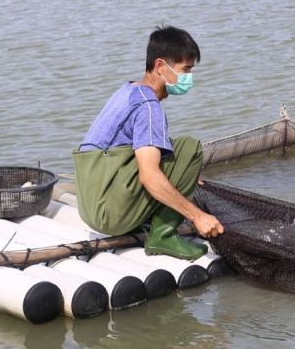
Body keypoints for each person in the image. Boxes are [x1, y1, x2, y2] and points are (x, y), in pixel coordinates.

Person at [72, 25, 223, 261]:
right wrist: (198, 216)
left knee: (171, 149)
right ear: (160, 66)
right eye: (185, 70)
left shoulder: (128, 91)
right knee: (189, 148)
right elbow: (148, 176)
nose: (188, 78)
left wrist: (182, 173)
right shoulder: (149, 108)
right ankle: (163, 236)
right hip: (110, 215)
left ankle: (149, 220)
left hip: (91, 205)